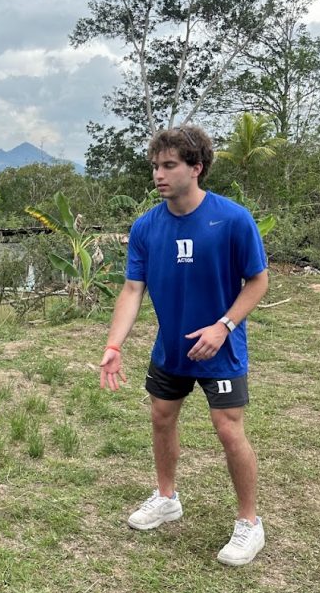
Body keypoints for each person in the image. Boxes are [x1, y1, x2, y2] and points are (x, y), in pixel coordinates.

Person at [100, 126, 269, 567]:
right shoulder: (146, 227)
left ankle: (250, 523)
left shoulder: (232, 219)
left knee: (229, 430)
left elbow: (258, 280)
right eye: (155, 166)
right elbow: (132, 289)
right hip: (171, 348)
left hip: (221, 348)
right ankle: (166, 497)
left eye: (169, 165)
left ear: (196, 168)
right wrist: (115, 344)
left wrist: (223, 326)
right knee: (161, 417)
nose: (159, 174)